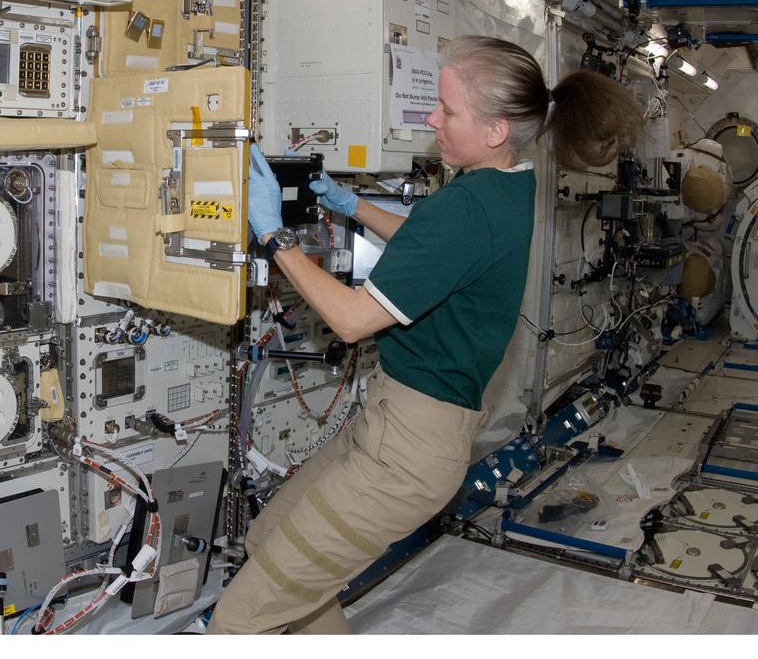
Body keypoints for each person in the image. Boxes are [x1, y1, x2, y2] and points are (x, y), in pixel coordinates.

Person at [208, 36, 644, 634]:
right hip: (396, 431)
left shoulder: (468, 205)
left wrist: (273, 235)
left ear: (494, 130)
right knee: (271, 541)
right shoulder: (507, 183)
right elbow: (432, 243)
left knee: (238, 619)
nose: (430, 118)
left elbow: (353, 319)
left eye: (448, 110)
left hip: (407, 454)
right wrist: (348, 203)